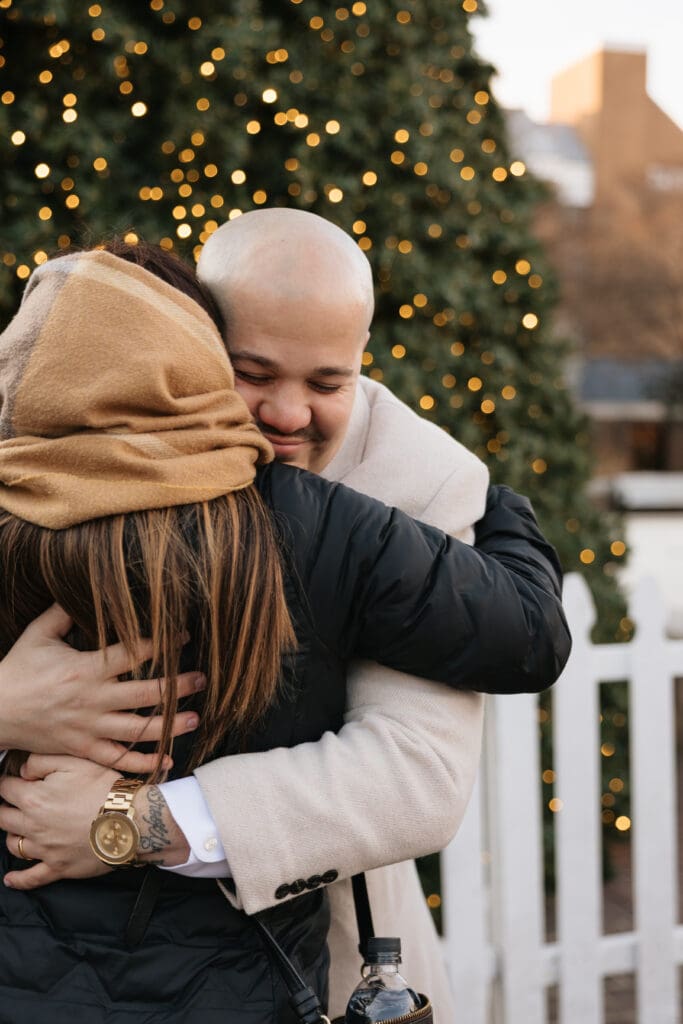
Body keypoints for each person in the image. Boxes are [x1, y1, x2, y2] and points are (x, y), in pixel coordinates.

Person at [0, 224, 570, 1019]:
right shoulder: (91, 452)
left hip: (297, 940)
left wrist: (128, 823)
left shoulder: (415, 488)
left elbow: (415, 773)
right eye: (251, 372)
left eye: (329, 382)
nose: (287, 413)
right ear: (191, 343)